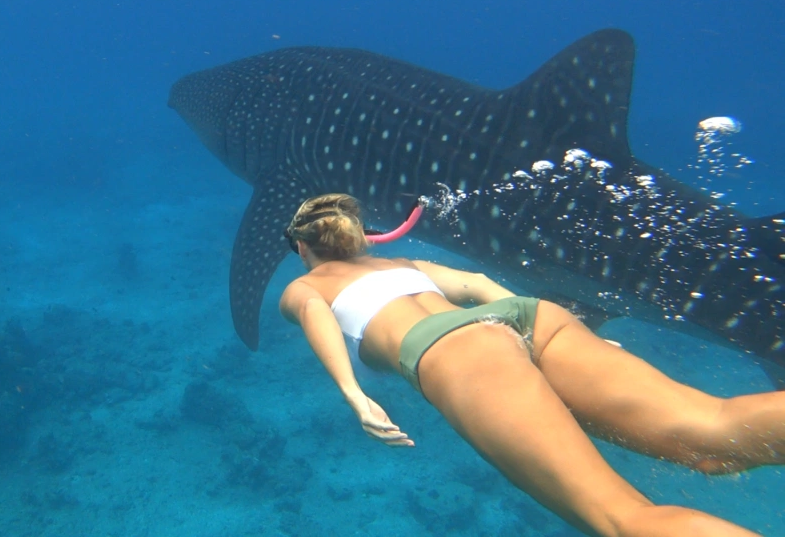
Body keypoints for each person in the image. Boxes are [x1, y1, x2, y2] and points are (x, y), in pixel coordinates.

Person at [278, 193, 784, 537]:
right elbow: (475, 282)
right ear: (361, 237)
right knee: (715, 432)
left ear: (303, 246)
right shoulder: (403, 264)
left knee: (625, 519)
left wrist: (353, 392)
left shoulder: (305, 285)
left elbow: (316, 316)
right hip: (531, 317)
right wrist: (515, 329)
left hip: (459, 354)